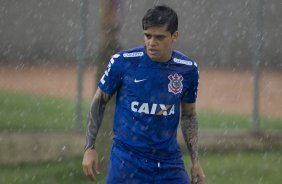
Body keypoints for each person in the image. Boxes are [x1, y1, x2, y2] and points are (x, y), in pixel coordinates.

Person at [82, 5, 205, 184]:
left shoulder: (187, 70)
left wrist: (195, 161)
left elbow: (188, 115)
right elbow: (99, 101)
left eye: (159, 37)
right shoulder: (123, 62)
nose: (151, 42)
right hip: (127, 162)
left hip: (168, 163)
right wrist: (89, 147)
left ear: (174, 36)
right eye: (148, 35)